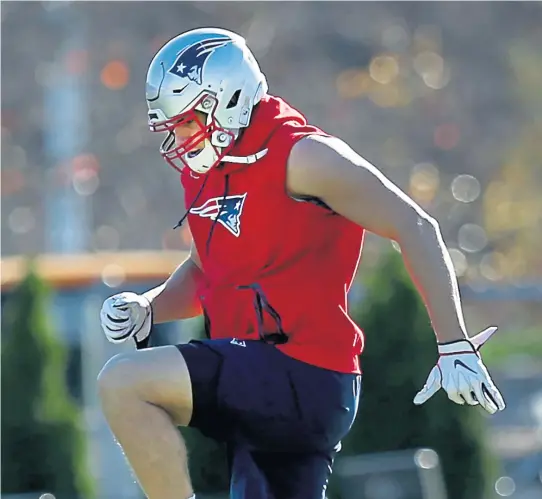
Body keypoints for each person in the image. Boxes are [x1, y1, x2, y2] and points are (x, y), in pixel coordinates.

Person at [98, 27, 505, 499]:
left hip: (302, 370)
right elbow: (209, 271)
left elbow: (414, 225)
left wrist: (453, 343)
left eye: (187, 122)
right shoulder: (211, 168)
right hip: (266, 379)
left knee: (125, 383)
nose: (179, 139)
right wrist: (150, 307)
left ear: (225, 100)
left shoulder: (305, 155)